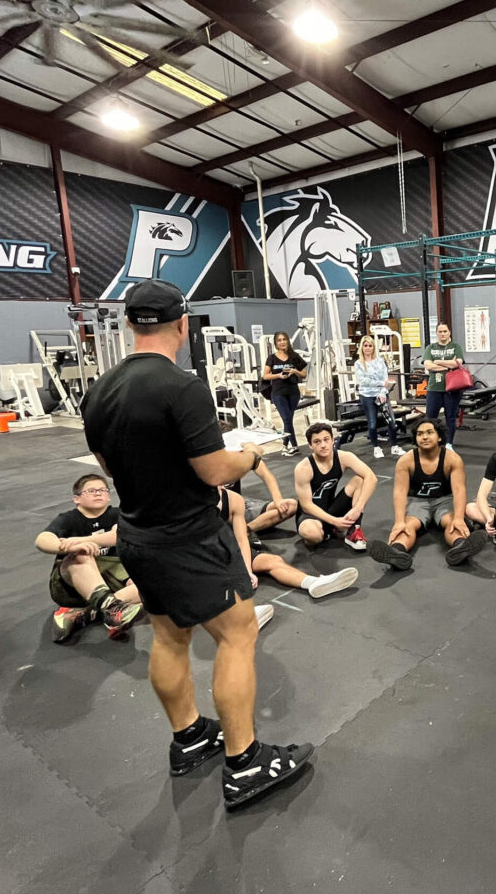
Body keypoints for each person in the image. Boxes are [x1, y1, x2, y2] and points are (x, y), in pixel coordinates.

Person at [81, 279, 313, 811]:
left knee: (168, 636)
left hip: (137, 533)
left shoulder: (99, 390)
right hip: (191, 537)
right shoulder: (181, 386)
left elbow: (108, 468)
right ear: (183, 326)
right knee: (237, 636)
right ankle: (244, 762)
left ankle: (189, 738)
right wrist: (250, 456)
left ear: (129, 325)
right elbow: (212, 470)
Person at [35, 474, 144, 643]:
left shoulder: (118, 515)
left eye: (103, 490)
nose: (98, 493)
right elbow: (42, 540)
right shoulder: (68, 519)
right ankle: (111, 608)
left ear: (108, 496)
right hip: (72, 585)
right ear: (76, 498)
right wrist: (68, 547)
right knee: (81, 555)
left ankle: (90, 612)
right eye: (92, 490)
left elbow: (116, 535)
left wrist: (79, 540)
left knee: (152, 585)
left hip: (111, 581)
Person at [367, 417, 487, 571]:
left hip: (444, 500)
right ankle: (397, 553)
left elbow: (459, 490)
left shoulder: (452, 459)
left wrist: (458, 518)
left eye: (429, 432)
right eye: (420, 434)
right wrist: (398, 522)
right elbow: (400, 492)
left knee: (452, 524)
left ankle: (461, 548)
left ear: (439, 437)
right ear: (415, 438)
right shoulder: (406, 461)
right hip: (417, 501)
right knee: (407, 525)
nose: (424, 437)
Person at [219, 484, 357, 600]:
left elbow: (242, 539)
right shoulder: (197, 505)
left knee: (273, 561)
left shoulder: (233, 499)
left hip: (226, 546)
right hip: (203, 554)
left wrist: (247, 571)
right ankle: (239, 617)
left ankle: (313, 582)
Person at [292, 422, 377, 552]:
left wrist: (358, 508)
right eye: (317, 442)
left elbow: (371, 478)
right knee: (312, 535)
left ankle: (354, 530)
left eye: (326, 439)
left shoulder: (344, 457)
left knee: (359, 480)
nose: (323, 445)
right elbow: (306, 505)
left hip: (332, 508)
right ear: (310, 445)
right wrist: (334, 521)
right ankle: (327, 530)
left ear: (332, 440)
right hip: (310, 515)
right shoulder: (303, 468)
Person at [353, 335, 405, 459]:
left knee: (391, 422)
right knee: (372, 424)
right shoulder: (359, 363)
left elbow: (385, 378)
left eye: (370, 346)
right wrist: (381, 384)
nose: (368, 348)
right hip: (367, 395)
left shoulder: (380, 361)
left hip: (382, 395)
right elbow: (363, 381)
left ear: (373, 347)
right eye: (365, 346)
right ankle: (376, 447)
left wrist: (382, 392)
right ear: (362, 347)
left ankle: (394, 447)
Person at [262, 331, 307, 456]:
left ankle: (284, 445)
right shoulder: (271, 358)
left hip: (293, 392)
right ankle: (295, 445)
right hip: (278, 393)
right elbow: (265, 376)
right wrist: (278, 375)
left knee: (288, 420)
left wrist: (294, 371)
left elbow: (304, 374)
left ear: (287, 341)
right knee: (287, 418)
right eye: (279, 340)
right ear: (276, 343)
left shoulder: (294, 356)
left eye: (284, 339)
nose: (282, 342)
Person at [422, 322, 466, 448]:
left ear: (449, 332)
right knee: (430, 418)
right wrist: (448, 365)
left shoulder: (455, 347)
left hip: (452, 388)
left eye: (445, 331)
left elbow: (457, 364)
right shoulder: (430, 348)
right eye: (440, 331)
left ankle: (449, 444)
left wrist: (437, 361)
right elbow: (428, 365)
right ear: (436, 333)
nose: (442, 334)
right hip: (434, 388)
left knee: (450, 417)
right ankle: (431, 442)